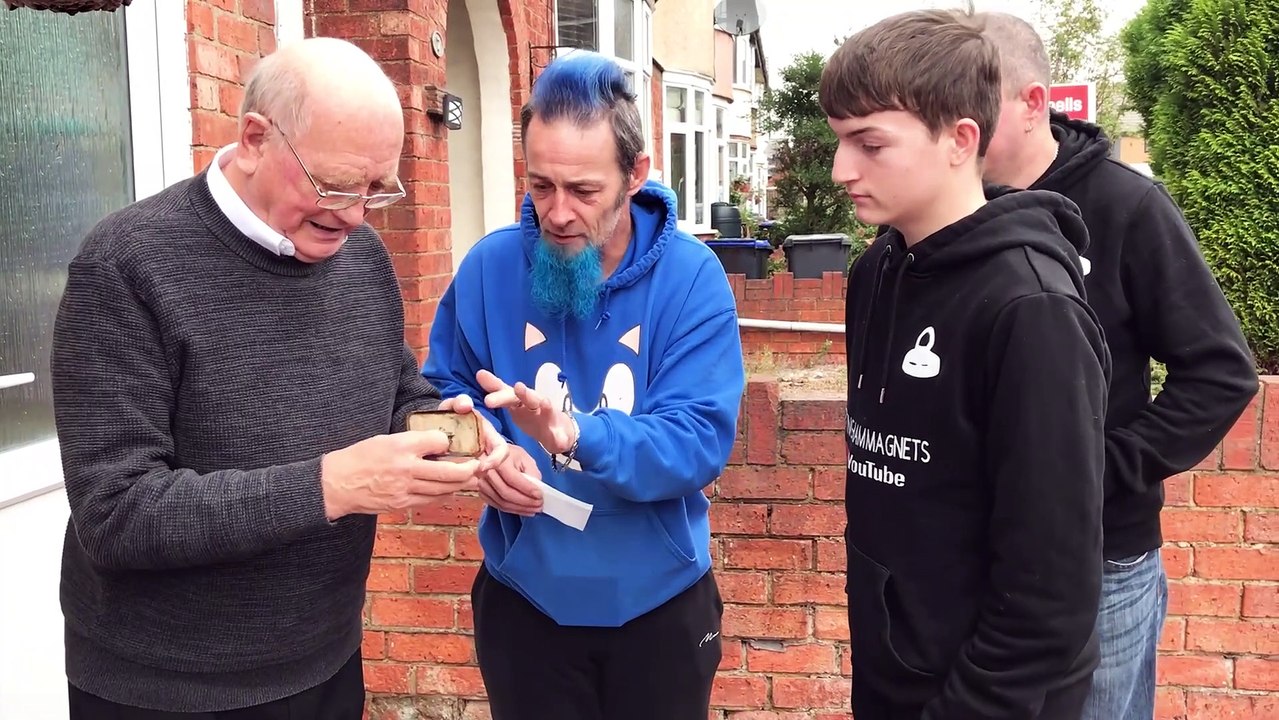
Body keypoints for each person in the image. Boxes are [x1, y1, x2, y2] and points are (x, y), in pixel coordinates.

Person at [49, 37, 507, 719]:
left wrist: (461, 437)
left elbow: (394, 391)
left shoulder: (362, 257)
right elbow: (115, 515)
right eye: (335, 185)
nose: (354, 215)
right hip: (167, 689)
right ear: (255, 138)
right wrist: (333, 485)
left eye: (376, 189)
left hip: (327, 658)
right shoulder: (125, 266)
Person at [421, 50, 745, 720]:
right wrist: (481, 450)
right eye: (541, 186)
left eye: (584, 191)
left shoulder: (693, 279)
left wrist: (575, 435)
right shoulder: (488, 268)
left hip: (660, 604)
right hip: (524, 601)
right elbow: (440, 391)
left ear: (636, 175)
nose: (558, 213)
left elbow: (697, 443)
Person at [821, 9, 1112, 719]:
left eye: (870, 143)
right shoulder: (876, 272)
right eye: (839, 141)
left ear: (960, 139)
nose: (841, 169)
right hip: (892, 674)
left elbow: (1050, 591)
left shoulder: (1031, 310)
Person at [977, 12, 1259, 720]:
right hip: (975, 544)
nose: (954, 126)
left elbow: (1221, 372)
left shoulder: (1128, 206)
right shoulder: (952, 209)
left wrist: (1098, 470)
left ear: (1033, 103)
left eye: (972, 105)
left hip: (1102, 558)